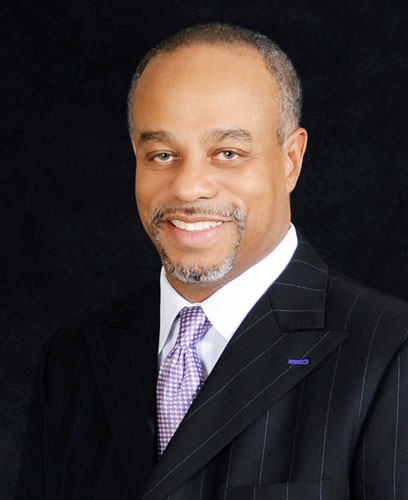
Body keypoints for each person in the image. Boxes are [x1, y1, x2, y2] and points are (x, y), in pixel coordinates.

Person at [15, 23, 408, 500]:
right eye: (162, 154)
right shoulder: (73, 357)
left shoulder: (390, 350)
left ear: (290, 160)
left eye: (227, 153)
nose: (187, 187)